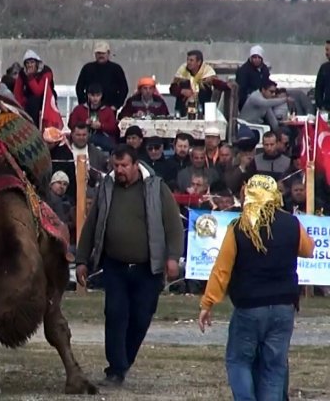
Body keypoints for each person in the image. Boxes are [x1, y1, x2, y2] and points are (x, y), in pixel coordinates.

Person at [75, 145, 184, 386]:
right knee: (114, 314)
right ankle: (115, 368)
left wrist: (173, 257)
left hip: (147, 268)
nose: (120, 170)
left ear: (136, 164)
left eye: (124, 165)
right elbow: (91, 224)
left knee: (141, 317)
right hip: (115, 266)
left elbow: (173, 225)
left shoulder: (156, 188)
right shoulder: (107, 187)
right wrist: (82, 259)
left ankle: (123, 361)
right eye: (116, 166)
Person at [198, 175, 314, 401]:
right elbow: (308, 250)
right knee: (274, 366)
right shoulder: (291, 223)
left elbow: (222, 269)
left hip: (249, 306)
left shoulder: (239, 226)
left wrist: (208, 302)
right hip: (284, 306)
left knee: (239, 361)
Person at [170, 50, 228, 117]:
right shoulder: (182, 71)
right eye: (187, 60)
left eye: (191, 60)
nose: (188, 62)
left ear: (199, 62)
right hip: (183, 113)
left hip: (203, 113)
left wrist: (227, 85)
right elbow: (172, 89)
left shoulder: (207, 71)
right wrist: (181, 91)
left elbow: (217, 83)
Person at [75, 41, 128, 109]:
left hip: (110, 108)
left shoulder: (116, 69)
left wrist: (116, 105)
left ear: (108, 53)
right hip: (90, 108)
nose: (101, 55)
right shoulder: (87, 68)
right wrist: (83, 104)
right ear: (95, 54)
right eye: (98, 53)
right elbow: (79, 87)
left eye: (103, 53)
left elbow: (124, 88)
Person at [67, 84, 119, 152]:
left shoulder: (108, 111)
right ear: (88, 95)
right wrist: (84, 124)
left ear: (101, 95)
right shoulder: (79, 109)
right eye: (92, 95)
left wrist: (101, 125)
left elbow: (114, 128)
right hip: (83, 138)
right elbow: (71, 124)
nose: (95, 98)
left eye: (98, 95)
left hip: (103, 139)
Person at [13, 49, 56, 120]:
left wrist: (30, 77)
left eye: (32, 62)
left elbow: (38, 91)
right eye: (27, 63)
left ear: (37, 63)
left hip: (46, 100)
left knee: (34, 100)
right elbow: (17, 92)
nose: (30, 65)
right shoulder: (22, 73)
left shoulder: (46, 72)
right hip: (29, 101)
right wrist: (21, 107)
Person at [235, 46, 271, 111]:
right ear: (251, 58)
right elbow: (242, 90)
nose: (257, 59)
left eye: (259, 57)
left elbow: (267, 83)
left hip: (263, 99)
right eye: (254, 57)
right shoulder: (244, 70)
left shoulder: (264, 69)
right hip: (248, 102)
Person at [316, 40, 330, 111]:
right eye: (326, 50)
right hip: (327, 109)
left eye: (327, 50)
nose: (326, 53)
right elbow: (318, 89)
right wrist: (321, 106)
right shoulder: (324, 68)